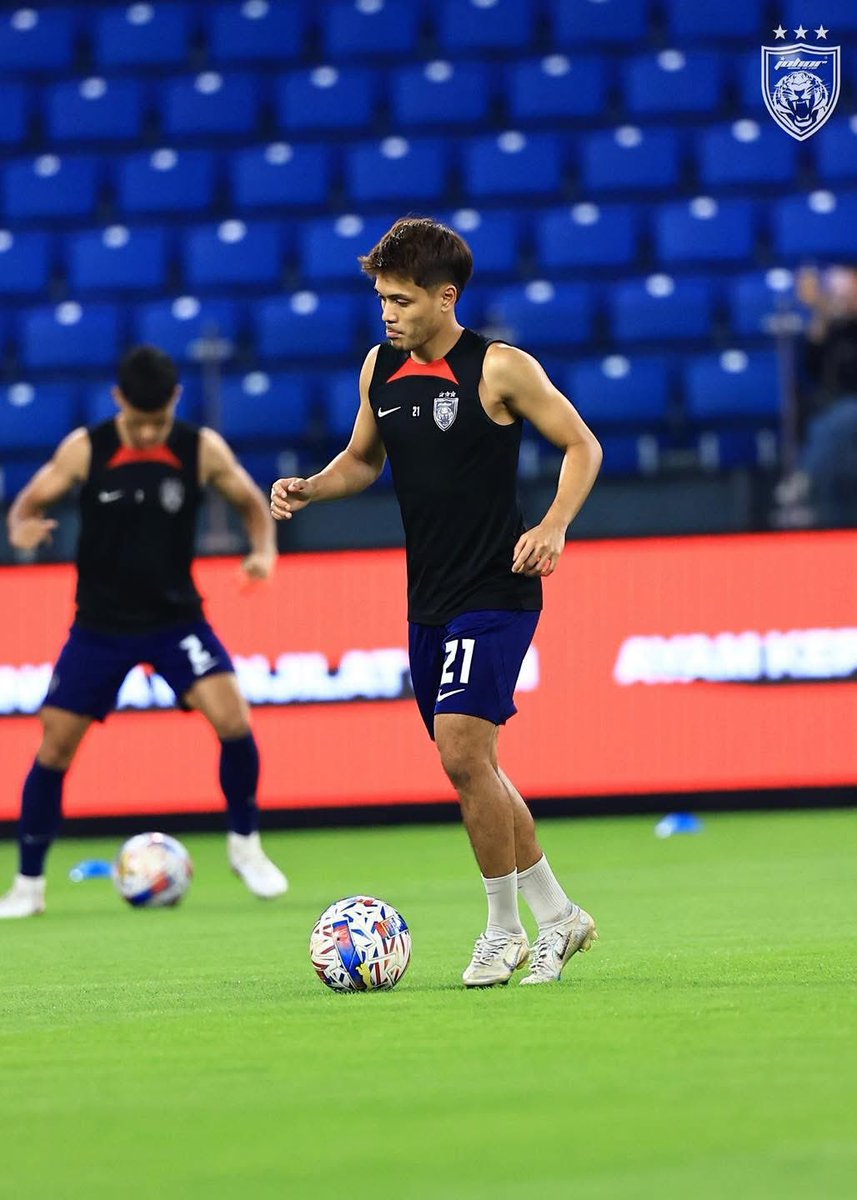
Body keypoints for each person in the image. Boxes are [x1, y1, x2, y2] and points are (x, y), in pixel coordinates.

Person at [271, 217, 602, 986]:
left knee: (460, 751)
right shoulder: (378, 369)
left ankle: (502, 929)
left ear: (444, 297)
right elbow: (362, 460)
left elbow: (582, 444)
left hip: (497, 587)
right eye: (381, 299)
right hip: (429, 600)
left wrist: (552, 525)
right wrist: (313, 487)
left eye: (400, 300)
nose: (386, 313)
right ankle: (560, 915)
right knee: (476, 768)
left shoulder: (499, 368)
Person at [0, 345, 287, 919]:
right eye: (138, 421)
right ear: (118, 402)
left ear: (176, 401)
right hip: (99, 626)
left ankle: (245, 846)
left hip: (176, 619)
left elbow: (252, 503)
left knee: (234, 718)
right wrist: (23, 529)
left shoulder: (198, 448)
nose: (149, 432)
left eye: (158, 420)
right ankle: (28, 884)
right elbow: (26, 505)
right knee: (55, 745)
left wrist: (263, 551)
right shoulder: (88, 449)